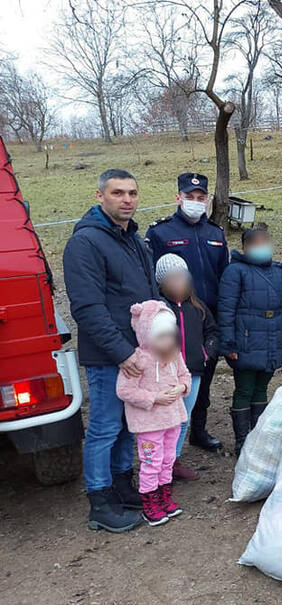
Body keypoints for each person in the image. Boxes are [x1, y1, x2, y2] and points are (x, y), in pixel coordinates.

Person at [63, 169, 159, 533]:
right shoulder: (86, 243)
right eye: (118, 193)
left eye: (133, 193)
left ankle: (122, 484)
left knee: (127, 426)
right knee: (105, 426)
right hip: (109, 356)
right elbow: (87, 308)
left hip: (138, 352)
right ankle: (100, 501)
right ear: (100, 195)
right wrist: (122, 352)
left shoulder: (133, 239)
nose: (127, 200)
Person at [146, 173, 228, 452]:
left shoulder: (216, 234)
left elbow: (223, 275)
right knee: (172, 382)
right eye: (189, 197)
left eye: (200, 197)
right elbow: (151, 279)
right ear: (178, 197)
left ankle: (198, 430)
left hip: (208, 319)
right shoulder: (160, 232)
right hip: (174, 318)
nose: (195, 202)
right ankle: (168, 444)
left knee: (202, 378)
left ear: (207, 199)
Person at [116, 300, 192, 526]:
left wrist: (182, 387)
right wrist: (153, 398)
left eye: (170, 335)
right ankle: (150, 504)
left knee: (168, 459)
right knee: (151, 462)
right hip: (149, 424)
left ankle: (165, 498)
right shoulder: (138, 359)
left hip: (173, 420)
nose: (167, 341)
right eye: (161, 336)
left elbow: (185, 375)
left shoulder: (174, 354)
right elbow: (124, 390)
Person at [218, 224, 282, 454]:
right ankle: (242, 440)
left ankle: (257, 436)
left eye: (265, 243)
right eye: (256, 244)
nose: (262, 247)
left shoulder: (279, 273)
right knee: (244, 389)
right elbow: (226, 309)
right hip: (246, 339)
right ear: (246, 247)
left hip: (273, 338)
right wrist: (228, 342)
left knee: (262, 388)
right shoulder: (235, 272)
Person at [155, 254, 219, 481]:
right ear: (161, 282)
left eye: (181, 277)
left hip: (192, 373)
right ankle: (158, 465)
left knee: (183, 420)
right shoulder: (157, 309)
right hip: (165, 377)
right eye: (171, 278)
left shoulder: (198, 307)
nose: (178, 282)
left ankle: (174, 461)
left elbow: (212, 332)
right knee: (165, 422)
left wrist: (206, 353)